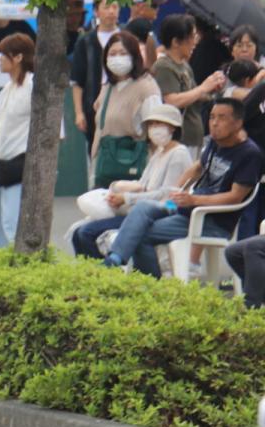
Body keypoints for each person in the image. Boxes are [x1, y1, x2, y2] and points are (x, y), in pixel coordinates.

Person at [103, 98, 262, 278]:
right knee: (143, 207)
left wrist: (194, 200)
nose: (214, 123)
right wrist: (176, 190)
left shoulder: (250, 154)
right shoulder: (216, 142)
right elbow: (197, 168)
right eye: (211, 117)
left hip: (209, 220)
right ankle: (115, 258)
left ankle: (150, 283)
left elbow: (235, 197)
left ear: (238, 123)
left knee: (142, 234)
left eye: (222, 118)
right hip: (184, 208)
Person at [70, 104, 191, 259]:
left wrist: (126, 198)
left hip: (154, 214)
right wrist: (118, 189)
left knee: (86, 233)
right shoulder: (160, 152)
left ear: (173, 127)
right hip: (136, 209)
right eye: (151, 124)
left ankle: (106, 275)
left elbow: (166, 196)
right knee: (77, 233)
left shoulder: (178, 154)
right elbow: (143, 184)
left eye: (158, 124)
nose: (153, 128)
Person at [90, 30, 161, 187]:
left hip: (135, 165)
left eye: (123, 53)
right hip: (103, 165)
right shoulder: (107, 88)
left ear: (134, 55)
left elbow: (156, 129)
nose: (117, 58)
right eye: (112, 54)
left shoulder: (146, 87)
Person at [153, 14, 226, 154]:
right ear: (175, 42)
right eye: (191, 37)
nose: (195, 42)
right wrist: (204, 87)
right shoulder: (164, 66)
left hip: (193, 137)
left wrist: (211, 89)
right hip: (179, 140)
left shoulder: (184, 65)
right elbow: (171, 100)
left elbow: (193, 94)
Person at [0, 33, 35, 247]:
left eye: (3, 55)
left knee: (12, 223)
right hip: (2, 162)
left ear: (18, 57)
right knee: (0, 223)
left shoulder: (34, 86)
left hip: (21, 162)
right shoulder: (7, 88)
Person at [71, 0, 122, 150]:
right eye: (106, 7)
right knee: (95, 150)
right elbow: (77, 81)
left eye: (115, 7)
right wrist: (78, 112)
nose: (111, 11)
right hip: (93, 103)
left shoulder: (126, 37)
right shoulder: (85, 41)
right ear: (96, 11)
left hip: (122, 102)